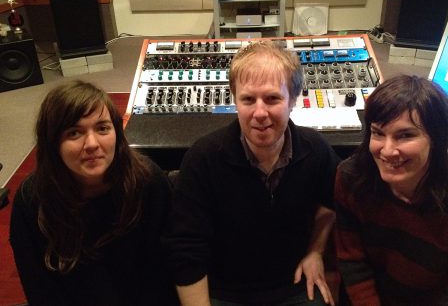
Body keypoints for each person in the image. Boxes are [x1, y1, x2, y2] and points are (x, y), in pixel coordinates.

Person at [167, 40, 339, 306]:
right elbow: (187, 251)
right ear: (234, 99)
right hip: (224, 291)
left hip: (291, 283)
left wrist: (315, 252)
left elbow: (329, 205)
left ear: (293, 99)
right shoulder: (202, 159)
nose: (260, 113)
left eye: (272, 98)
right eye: (248, 99)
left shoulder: (316, 150)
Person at [9, 81, 178, 305]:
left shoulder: (150, 182)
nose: (92, 144)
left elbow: (164, 276)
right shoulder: (31, 198)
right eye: (74, 132)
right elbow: (39, 289)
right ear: (52, 142)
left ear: (117, 133)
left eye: (102, 128)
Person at [334, 75, 448, 305]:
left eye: (405, 135)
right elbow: (352, 260)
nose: (388, 150)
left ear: (438, 140)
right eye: (378, 133)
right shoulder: (351, 177)